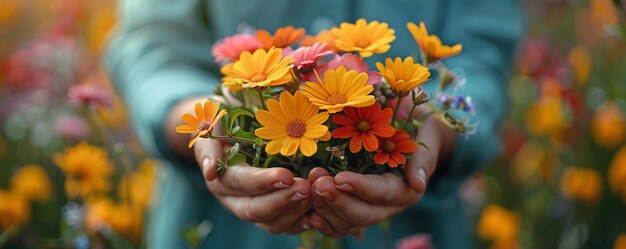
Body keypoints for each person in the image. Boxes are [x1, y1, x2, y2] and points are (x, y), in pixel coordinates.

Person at [104, 0, 523, 248]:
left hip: (414, 223)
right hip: (220, 228)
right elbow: (153, 44)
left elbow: (482, 53)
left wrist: (436, 126)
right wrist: (199, 118)